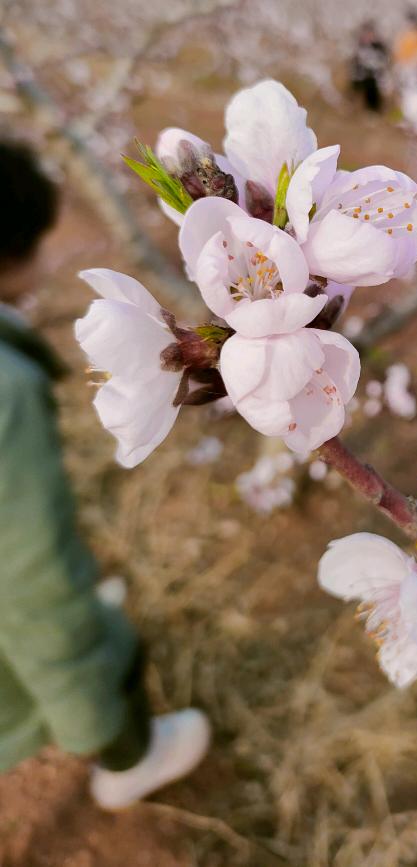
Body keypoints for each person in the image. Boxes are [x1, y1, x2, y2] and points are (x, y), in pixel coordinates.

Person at [0, 140, 210, 810]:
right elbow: (30, 576)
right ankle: (131, 761)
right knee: (112, 650)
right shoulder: (8, 389)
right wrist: (87, 700)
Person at [350, 20, 390, 113]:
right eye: (366, 33)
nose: (368, 36)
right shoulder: (359, 45)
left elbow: (384, 61)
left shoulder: (379, 46)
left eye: (369, 33)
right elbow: (355, 63)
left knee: (373, 83)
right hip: (362, 76)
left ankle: (373, 108)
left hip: (375, 76)